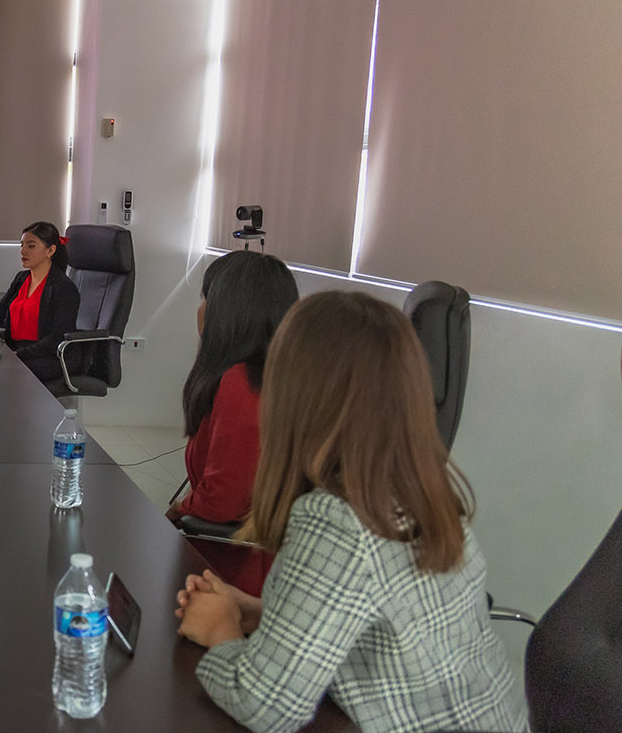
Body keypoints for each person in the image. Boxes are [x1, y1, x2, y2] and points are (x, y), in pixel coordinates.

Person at [173, 291, 527, 733]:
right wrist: (260, 610)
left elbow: (266, 706)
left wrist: (220, 630)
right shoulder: (422, 494)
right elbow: (376, 616)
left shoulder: (334, 520)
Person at [165, 251, 298, 595]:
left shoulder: (242, 384)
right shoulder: (280, 374)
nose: (200, 309)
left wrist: (182, 508)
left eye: (206, 298)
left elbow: (224, 501)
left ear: (228, 312)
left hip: (234, 577)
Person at [0, 221, 80, 383]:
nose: (23, 251)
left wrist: (19, 355)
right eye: (22, 245)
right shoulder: (22, 278)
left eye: (31, 246)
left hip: (49, 357)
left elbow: (57, 337)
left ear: (50, 250)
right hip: (19, 351)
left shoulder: (64, 288)